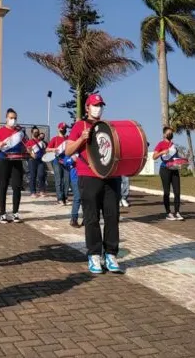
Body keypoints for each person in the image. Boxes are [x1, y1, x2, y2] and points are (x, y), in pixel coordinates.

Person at [64, 93, 123, 274]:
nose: (98, 108)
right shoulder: (78, 126)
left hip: (110, 176)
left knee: (112, 216)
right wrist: (82, 138)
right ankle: (94, 255)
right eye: (95, 105)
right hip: (88, 176)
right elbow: (68, 151)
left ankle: (111, 254)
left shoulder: (108, 126)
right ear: (87, 108)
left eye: (100, 105)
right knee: (92, 217)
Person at [0, 108, 28, 223]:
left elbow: (25, 146)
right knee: (3, 186)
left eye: (15, 118)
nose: (13, 120)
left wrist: (29, 150)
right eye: (11, 118)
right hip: (3, 160)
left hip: (17, 161)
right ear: (6, 118)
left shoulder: (19, 133)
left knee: (17, 187)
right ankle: (3, 214)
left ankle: (15, 213)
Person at [153, 126, 184, 220]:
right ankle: (168, 213)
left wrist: (181, 163)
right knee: (166, 192)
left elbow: (176, 158)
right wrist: (162, 152)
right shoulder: (160, 144)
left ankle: (177, 212)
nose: (170, 134)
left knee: (177, 192)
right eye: (169, 133)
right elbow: (154, 156)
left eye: (171, 133)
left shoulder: (174, 145)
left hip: (174, 169)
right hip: (164, 169)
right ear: (164, 134)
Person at [47, 122, 70, 205]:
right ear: (59, 129)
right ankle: (59, 198)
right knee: (58, 179)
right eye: (63, 128)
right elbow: (47, 149)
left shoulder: (68, 138)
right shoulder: (55, 139)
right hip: (57, 160)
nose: (65, 130)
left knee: (67, 180)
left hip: (66, 160)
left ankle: (65, 197)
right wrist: (54, 149)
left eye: (66, 128)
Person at [26, 126, 47, 197]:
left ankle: (41, 190)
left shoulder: (41, 142)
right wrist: (31, 154)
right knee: (33, 176)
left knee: (41, 175)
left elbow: (44, 150)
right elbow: (28, 150)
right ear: (32, 133)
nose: (36, 133)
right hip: (32, 160)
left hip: (41, 160)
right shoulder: (29, 141)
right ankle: (33, 192)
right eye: (35, 132)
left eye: (37, 132)